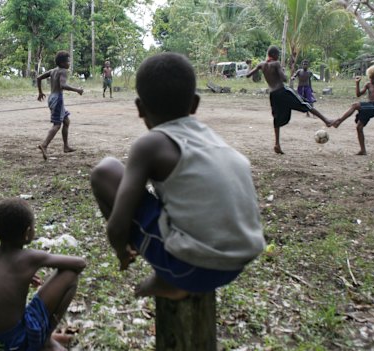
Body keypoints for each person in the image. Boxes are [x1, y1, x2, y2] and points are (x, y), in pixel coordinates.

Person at [90, 52, 265, 300]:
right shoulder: (211, 138)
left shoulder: (149, 145)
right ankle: (172, 268)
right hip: (238, 263)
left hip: (192, 269)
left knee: (104, 170)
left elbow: (117, 227)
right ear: (194, 104)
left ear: (139, 108)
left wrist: (121, 252)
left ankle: (166, 279)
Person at [0, 198, 86, 350]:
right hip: (14, 343)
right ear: (27, 233)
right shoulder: (30, 258)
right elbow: (80, 264)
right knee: (70, 276)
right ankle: (45, 339)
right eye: (33, 226)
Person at [246, 46, 333, 154]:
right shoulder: (276, 64)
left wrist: (249, 65)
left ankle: (277, 144)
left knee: (276, 118)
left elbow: (248, 75)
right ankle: (326, 120)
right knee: (305, 103)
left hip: (273, 94)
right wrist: (282, 71)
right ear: (275, 55)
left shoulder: (261, 65)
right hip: (282, 91)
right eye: (278, 54)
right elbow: (284, 78)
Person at [36, 51, 84, 161]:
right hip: (58, 99)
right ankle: (44, 145)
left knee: (66, 121)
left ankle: (66, 146)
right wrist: (77, 90)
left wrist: (40, 92)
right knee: (57, 125)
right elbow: (63, 85)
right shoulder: (63, 71)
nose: (69, 63)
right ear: (62, 63)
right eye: (68, 61)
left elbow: (39, 78)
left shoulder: (53, 71)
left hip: (52, 98)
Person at [331, 65, 374, 155]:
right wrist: (357, 83)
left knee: (355, 105)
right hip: (369, 106)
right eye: (370, 78)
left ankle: (339, 121)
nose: (371, 80)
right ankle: (363, 150)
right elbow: (358, 94)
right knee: (359, 127)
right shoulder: (368, 85)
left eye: (372, 78)